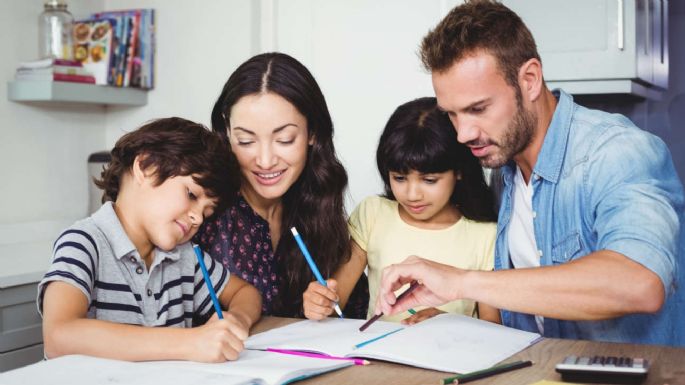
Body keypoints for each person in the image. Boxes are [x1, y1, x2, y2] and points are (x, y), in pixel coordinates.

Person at [376, 0, 684, 346]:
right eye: (452, 114)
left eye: (478, 108)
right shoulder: (502, 168)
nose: (462, 134)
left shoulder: (615, 152)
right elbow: (532, 321)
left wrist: (462, 281)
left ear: (530, 80)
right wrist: (455, 325)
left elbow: (639, 282)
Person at [39, 118, 262, 362]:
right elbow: (59, 336)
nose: (197, 218)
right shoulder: (83, 243)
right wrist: (190, 342)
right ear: (146, 167)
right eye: (191, 194)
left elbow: (245, 293)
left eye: (207, 212)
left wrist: (237, 319)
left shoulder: (184, 256)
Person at [195, 52, 369, 318]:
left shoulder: (318, 202)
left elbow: (354, 317)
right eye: (245, 141)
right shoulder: (202, 212)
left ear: (313, 133)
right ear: (227, 133)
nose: (265, 161)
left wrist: (328, 305)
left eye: (285, 139)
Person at [303, 97, 500, 325]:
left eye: (429, 180)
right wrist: (320, 302)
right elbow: (337, 301)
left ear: (459, 171)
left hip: (448, 357)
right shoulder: (373, 214)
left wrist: (447, 322)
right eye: (399, 178)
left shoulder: (485, 234)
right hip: (378, 357)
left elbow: (492, 326)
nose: (412, 194)